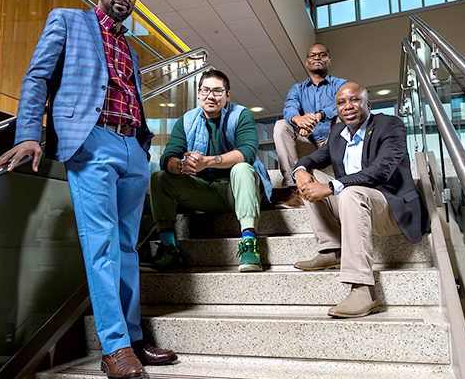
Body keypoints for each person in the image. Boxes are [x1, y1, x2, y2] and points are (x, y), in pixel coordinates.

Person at [0, 0, 176, 379]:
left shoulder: (132, 50)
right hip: (91, 141)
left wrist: (142, 147)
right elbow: (37, 77)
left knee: (128, 247)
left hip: (132, 148)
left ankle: (131, 336)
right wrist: (29, 132)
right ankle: (114, 348)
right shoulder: (68, 20)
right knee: (104, 247)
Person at [291, 82, 430, 318]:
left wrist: (332, 186)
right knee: (311, 178)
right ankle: (332, 249)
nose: (348, 106)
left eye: (354, 100)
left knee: (350, 191)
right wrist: (300, 171)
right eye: (341, 103)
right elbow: (314, 159)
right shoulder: (337, 133)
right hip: (353, 205)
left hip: (390, 206)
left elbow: (381, 170)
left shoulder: (390, 125)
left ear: (368, 103)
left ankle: (364, 290)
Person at [147, 69, 272, 273]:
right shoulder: (186, 121)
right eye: (205, 90)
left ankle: (249, 245)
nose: (210, 96)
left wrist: (207, 162)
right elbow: (167, 157)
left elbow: (247, 153)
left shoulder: (241, 115)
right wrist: (180, 166)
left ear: (227, 95)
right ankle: (169, 249)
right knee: (160, 178)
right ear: (198, 93)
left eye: (217, 91)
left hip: (238, 191)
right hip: (205, 190)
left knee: (241, 168)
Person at [273, 44, 347, 209]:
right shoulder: (297, 89)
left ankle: (347, 182)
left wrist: (319, 115)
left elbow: (345, 103)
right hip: (308, 144)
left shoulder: (340, 84)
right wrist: (299, 120)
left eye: (322, 55)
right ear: (307, 62)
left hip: (333, 142)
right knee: (281, 125)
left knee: (345, 117)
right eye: (313, 56)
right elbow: (289, 109)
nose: (317, 58)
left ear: (329, 61)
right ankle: (295, 188)